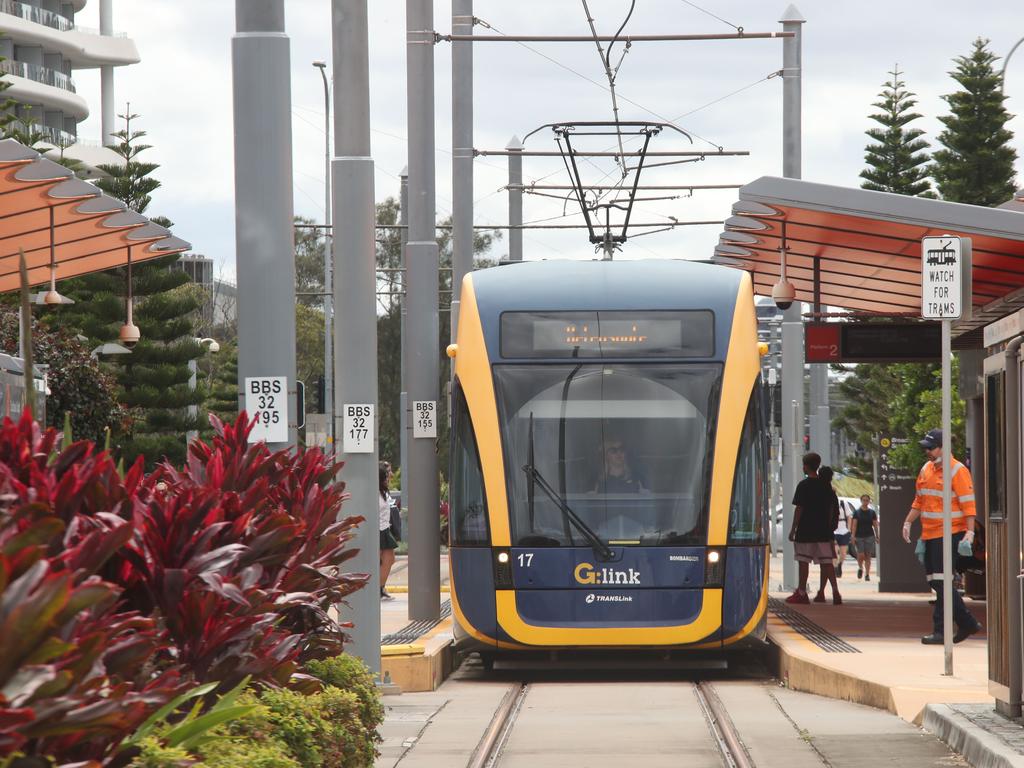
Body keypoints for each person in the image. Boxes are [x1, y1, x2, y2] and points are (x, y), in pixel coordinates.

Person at [901, 428, 982, 645]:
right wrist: (908, 521)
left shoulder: (957, 470)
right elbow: (919, 500)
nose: (927, 451)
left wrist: (970, 531)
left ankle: (949, 627)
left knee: (942, 581)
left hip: (950, 533)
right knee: (937, 582)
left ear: (944, 447)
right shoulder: (926, 469)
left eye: (931, 447)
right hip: (930, 534)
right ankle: (963, 624)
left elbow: (968, 503)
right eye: (926, 447)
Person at [787, 452, 841, 605]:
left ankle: (802, 593)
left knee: (803, 562)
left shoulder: (803, 485)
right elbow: (831, 510)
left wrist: (793, 529)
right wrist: (828, 528)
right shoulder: (826, 487)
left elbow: (799, 509)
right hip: (823, 532)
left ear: (806, 466)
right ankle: (836, 591)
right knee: (827, 562)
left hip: (805, 531)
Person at [379, 461, 398, 601]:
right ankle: (378, 589)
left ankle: (380, 587)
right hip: (378, 530)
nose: (390, 475)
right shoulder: (374, 492)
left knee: (389, 559)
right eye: (388, 472)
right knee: (383, 559)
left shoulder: (384, 492)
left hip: (384, 528)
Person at [850, 494, 879, 581]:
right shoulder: (857, 512)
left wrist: (877, 536)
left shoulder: (872, 512)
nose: (865, 502)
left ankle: (867, 574)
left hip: (869, 536)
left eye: (867, 500)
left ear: (869, 501)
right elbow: (854, 525)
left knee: (868, 555)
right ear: (861, 501)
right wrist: (853, 536)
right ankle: (860, 568)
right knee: (861, 554)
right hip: (859, 536)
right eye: (864, 500)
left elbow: (875, 525)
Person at [833, 495, 852, 578]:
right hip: (833, 531)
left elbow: (849, 517)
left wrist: (849, 530)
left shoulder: (843, 503)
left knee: (843, 553)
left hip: (844, 531)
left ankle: (839, 564)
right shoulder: (826, 502)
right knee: (834, 552)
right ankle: (835, 567)